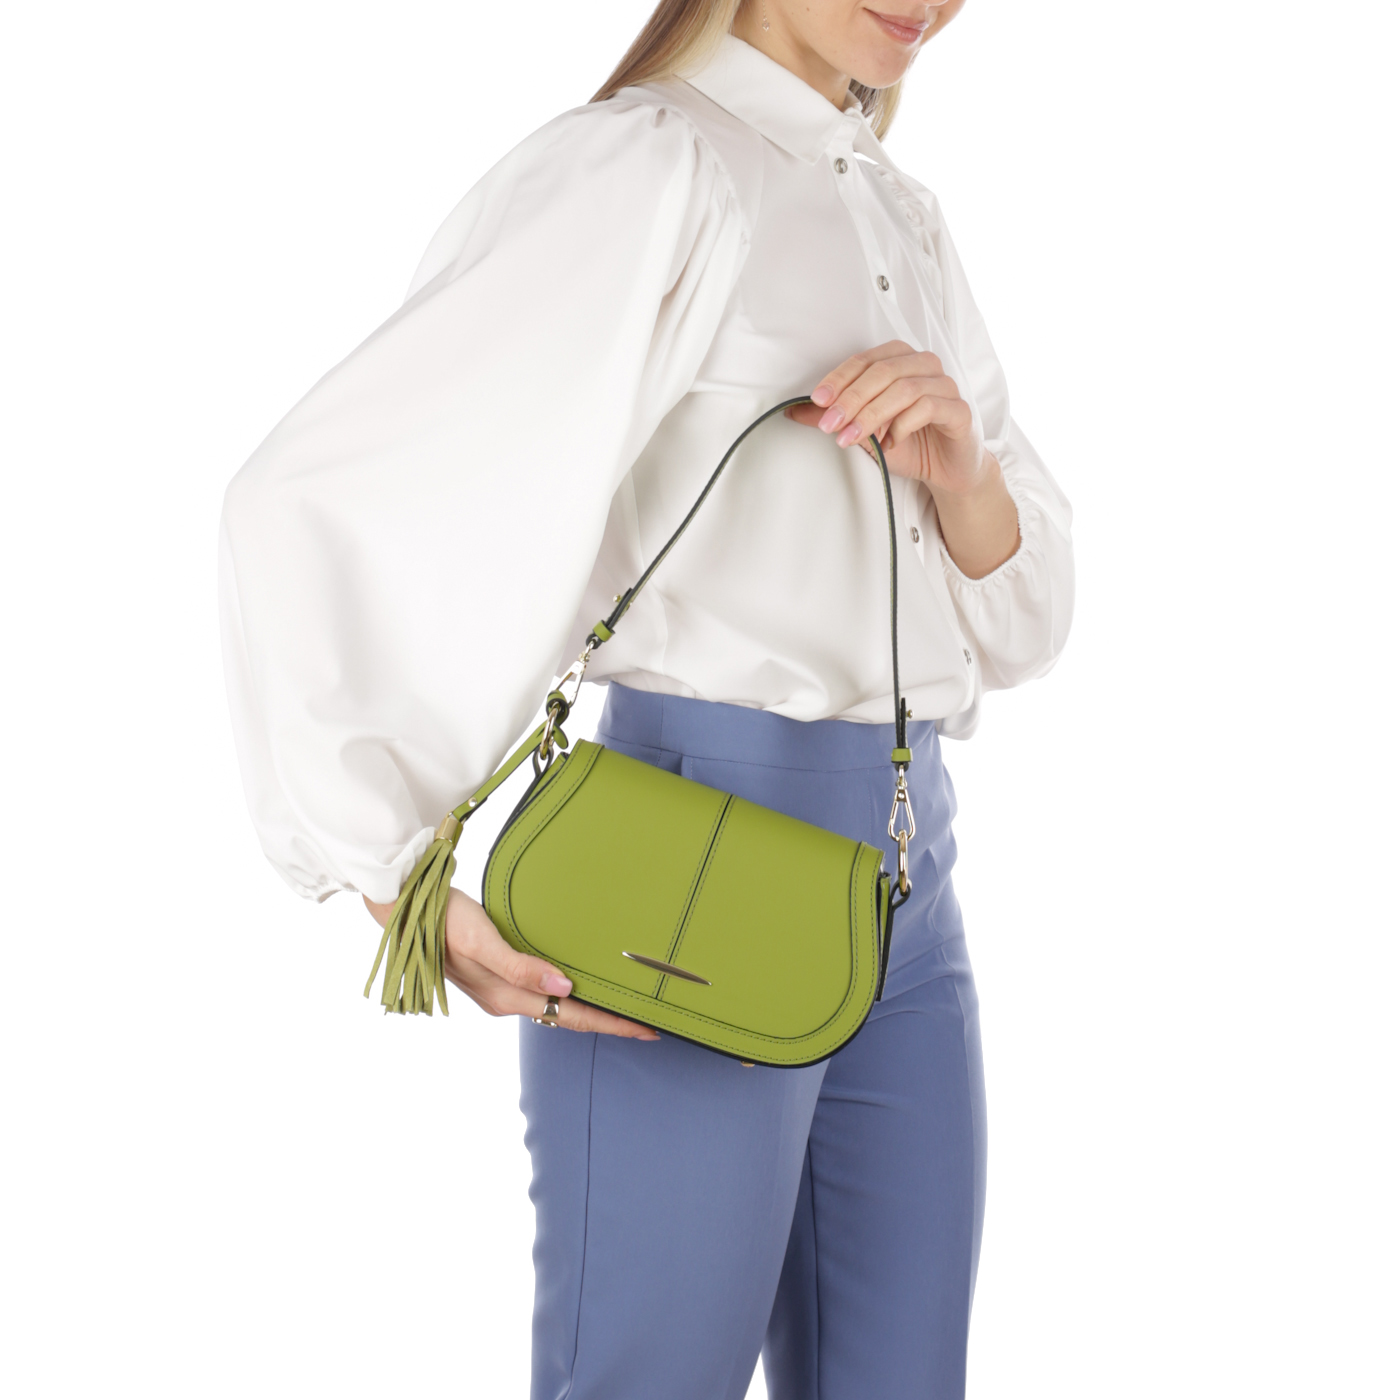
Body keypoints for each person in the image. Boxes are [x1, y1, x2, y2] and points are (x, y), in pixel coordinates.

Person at [219, 1, 1074, 1395]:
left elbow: (1022, 626)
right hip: (694, 867)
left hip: (909, 877)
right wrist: (381, 863)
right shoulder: (654, 166)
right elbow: (303, 500)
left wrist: (966, 473)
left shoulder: (897, 213)